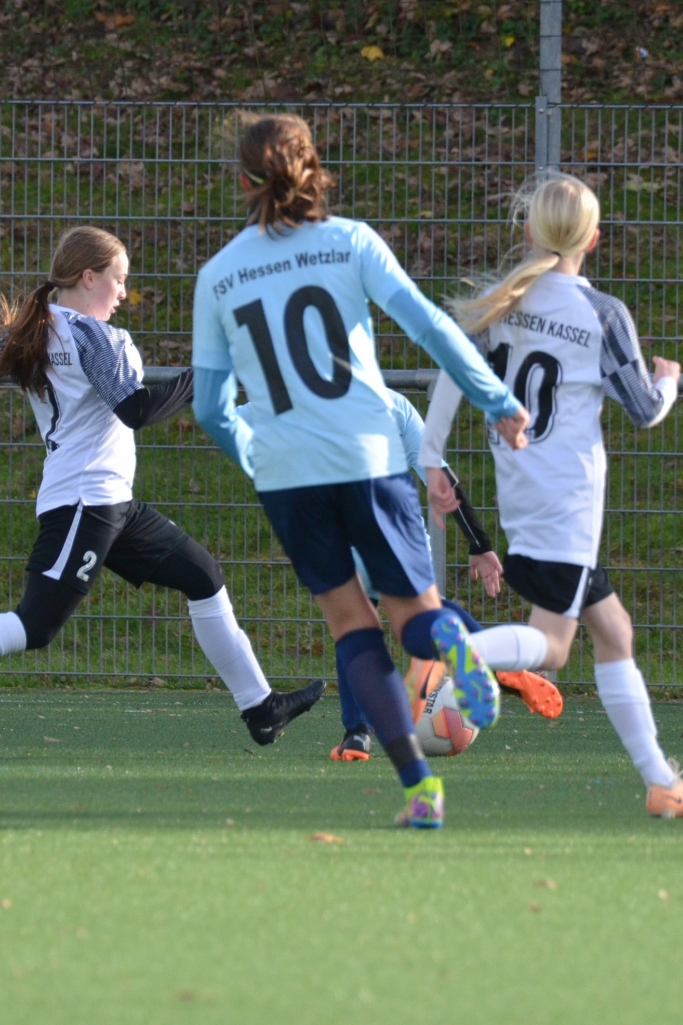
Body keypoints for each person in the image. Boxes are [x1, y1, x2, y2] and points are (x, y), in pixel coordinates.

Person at [191, 113, 531, 830]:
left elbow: (211, 409)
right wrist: (497, 400)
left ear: (244, 181)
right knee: (415, 618)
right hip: (369, 457)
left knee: (353, 627)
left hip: (289, 475)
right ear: (314, 169)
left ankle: (420, 790)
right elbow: (431, 326)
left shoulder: (218, 275)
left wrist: (256, 456)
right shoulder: (350, 241)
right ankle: (457, 645)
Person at [0, 225, 323, 745]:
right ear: (88, 276)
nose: (124, 292)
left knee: (203, 576)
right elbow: (137, 410)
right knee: (36, 625)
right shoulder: (90, 335)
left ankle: (261, 708)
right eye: (118, 279)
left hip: (111, 503)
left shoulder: (34, 330)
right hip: (86, 502)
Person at [420, 173, 683, 819]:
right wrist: (669, 379)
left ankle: (661, 782)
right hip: (569, 502)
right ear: (594, 239)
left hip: (523, 492)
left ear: (530, 230)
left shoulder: (504, 304)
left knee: (613, 630)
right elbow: (644, 410)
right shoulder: (601, 314)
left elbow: (454, 367)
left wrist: (431, 456)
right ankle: (465, 651)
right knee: (553, 647)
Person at [326, 387, 561, 764]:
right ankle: (494, 659)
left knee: (353, 624)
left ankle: (357, 732)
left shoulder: (300, 402)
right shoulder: (394, 403)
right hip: (402, 524)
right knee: (425, 610)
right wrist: (479, 543)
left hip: (347, 530)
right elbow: (440, 477)